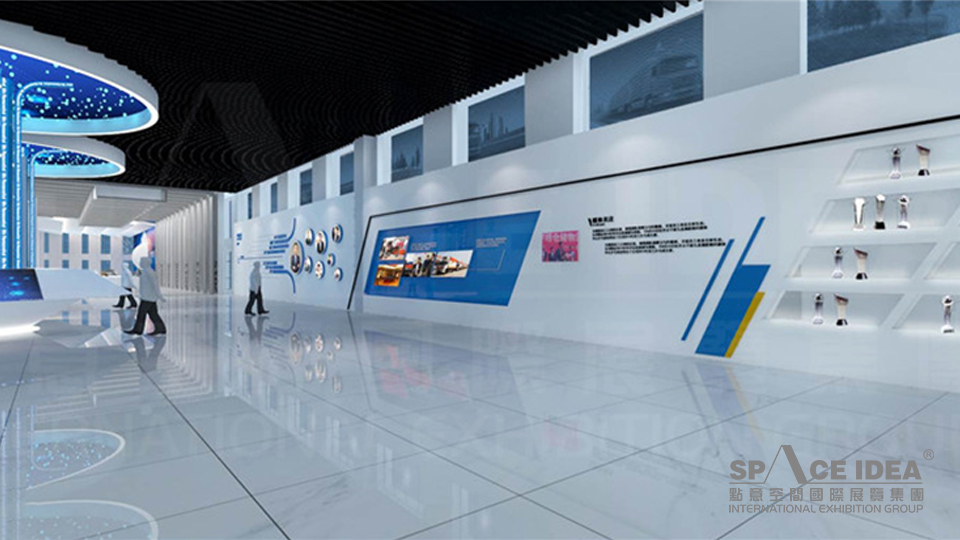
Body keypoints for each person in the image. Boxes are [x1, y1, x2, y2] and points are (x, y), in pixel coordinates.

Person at [125, 257, 167, 336]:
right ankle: (160, 328)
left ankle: (138, 330)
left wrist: (160, 296)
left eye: (142, 261)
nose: (140, 263)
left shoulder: (149, 272)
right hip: (147, 297)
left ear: (146, 263)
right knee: (153, 314)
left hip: (148, 298)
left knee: (141, 314)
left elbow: (155, 285)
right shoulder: (145, 272)